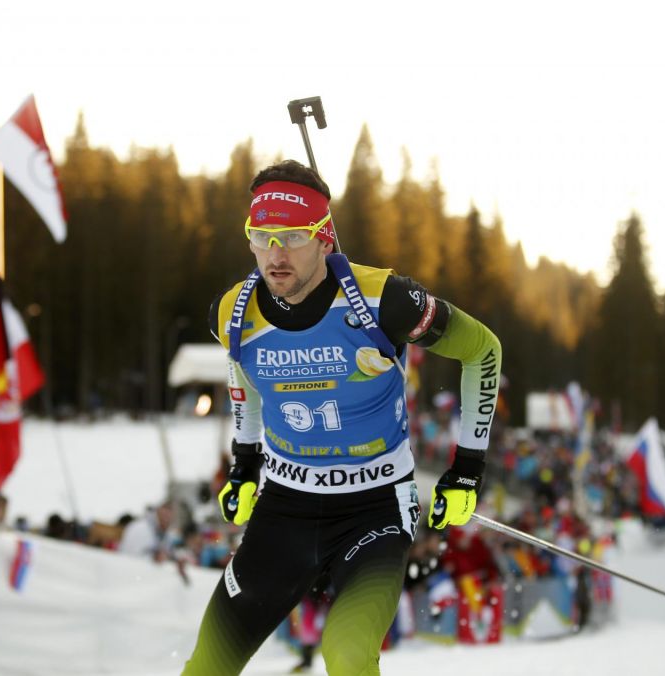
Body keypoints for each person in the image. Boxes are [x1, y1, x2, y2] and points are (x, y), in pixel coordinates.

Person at [182, 160, 502, 675]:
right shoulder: (232, 313)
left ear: (324, 238)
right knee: (208, 666)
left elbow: (483, 350)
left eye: (291, 237)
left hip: (373, 509)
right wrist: (244, 464)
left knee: (347, 657)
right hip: (284, 508)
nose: (275, 254)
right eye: (261, 237)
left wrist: (467, 471)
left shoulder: (386, 300)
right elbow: (244, 373)